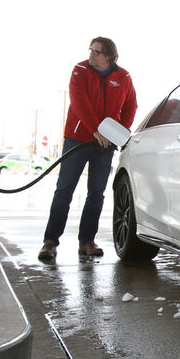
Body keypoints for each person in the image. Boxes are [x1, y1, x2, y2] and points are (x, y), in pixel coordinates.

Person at [39, 37, 137, 262]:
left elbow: (131, 104)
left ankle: (87, 241)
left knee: (96, 193)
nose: (91, 55)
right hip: (77, 139)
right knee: (64, 190)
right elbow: (79, 101)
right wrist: (96, 131)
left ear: (109, 57)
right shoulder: (80, 70)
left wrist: (119, 132)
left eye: (97, 52)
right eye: (91, 50)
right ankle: (50, 241)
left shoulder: (123, 78)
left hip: (105, 144)